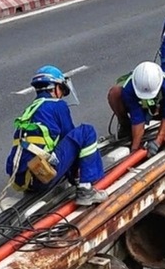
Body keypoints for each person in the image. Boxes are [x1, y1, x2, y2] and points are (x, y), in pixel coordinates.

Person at [7, 65, 108, 206]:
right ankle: (86, 191)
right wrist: (75, 176)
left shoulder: (30, 111)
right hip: (42, 177)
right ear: (54, 88)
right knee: (86, 132)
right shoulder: (57, 106)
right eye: (61, 89)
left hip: (24, 180)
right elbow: (71, 140)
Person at [107, 61, 165, 156]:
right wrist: (135, 149)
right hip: (142, 110)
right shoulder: (130, 87)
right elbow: (137, 117)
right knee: (115, 93)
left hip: (161, 109)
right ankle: (126, 127)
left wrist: (158, 142)